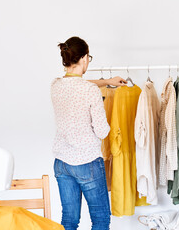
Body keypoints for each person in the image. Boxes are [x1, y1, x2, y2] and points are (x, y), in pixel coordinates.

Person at [50, 36, 127, 230]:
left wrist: (107, 82)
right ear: (84, 58)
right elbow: (102, 132)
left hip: (62, 163)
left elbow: (76, 84)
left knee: (69, 220)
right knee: (100, 220)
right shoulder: (90, 91)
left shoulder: (55, 85)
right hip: (87, 163)